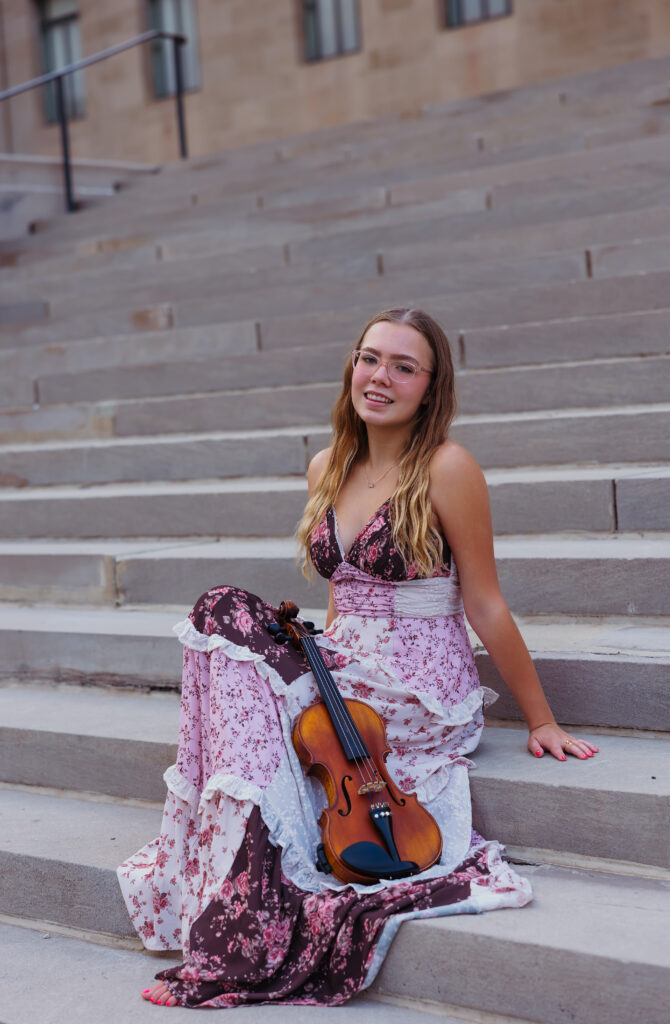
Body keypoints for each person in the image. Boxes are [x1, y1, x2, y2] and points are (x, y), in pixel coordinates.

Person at [118, 307, 598, 1009]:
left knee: (230, 629)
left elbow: (486, 602)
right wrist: (321, 663)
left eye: (403, 367)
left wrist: (540, 720)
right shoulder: (327, 464)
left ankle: (246, 911)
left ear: (429, 388)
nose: (379, 377)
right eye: (370, 358)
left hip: (417, 684)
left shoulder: (446, 467)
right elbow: (343, 594)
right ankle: (246, 890)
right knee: (222, 616)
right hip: (348, 662)